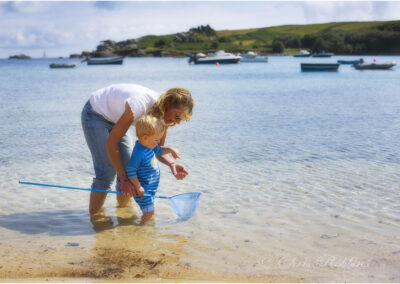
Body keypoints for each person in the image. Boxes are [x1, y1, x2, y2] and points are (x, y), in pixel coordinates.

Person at [81, 83, 193, 221]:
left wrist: (171, 164)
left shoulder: (165, 119)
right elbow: (111, 143)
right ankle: (96, 218)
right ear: (168, 103)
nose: (177, 122)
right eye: (177, 116)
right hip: (96, 113)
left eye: (181, 119)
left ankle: (124, 215)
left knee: (128, 169)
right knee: (107, 171)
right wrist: (123, 179)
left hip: (118, 119)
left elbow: (156, 149)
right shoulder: (140, 104)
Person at [126, 115, 180, 224]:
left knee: (151, 212)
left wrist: (170, 149)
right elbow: (130, 170)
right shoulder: (139, 153)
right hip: (143, 190)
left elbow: (159, 150)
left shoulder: (149, 145)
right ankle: (141, 232)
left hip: (150, 189)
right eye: (156, 140)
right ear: (145, 137)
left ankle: (145, 230)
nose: (158, 142)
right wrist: (138, 187)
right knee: (149, 213)